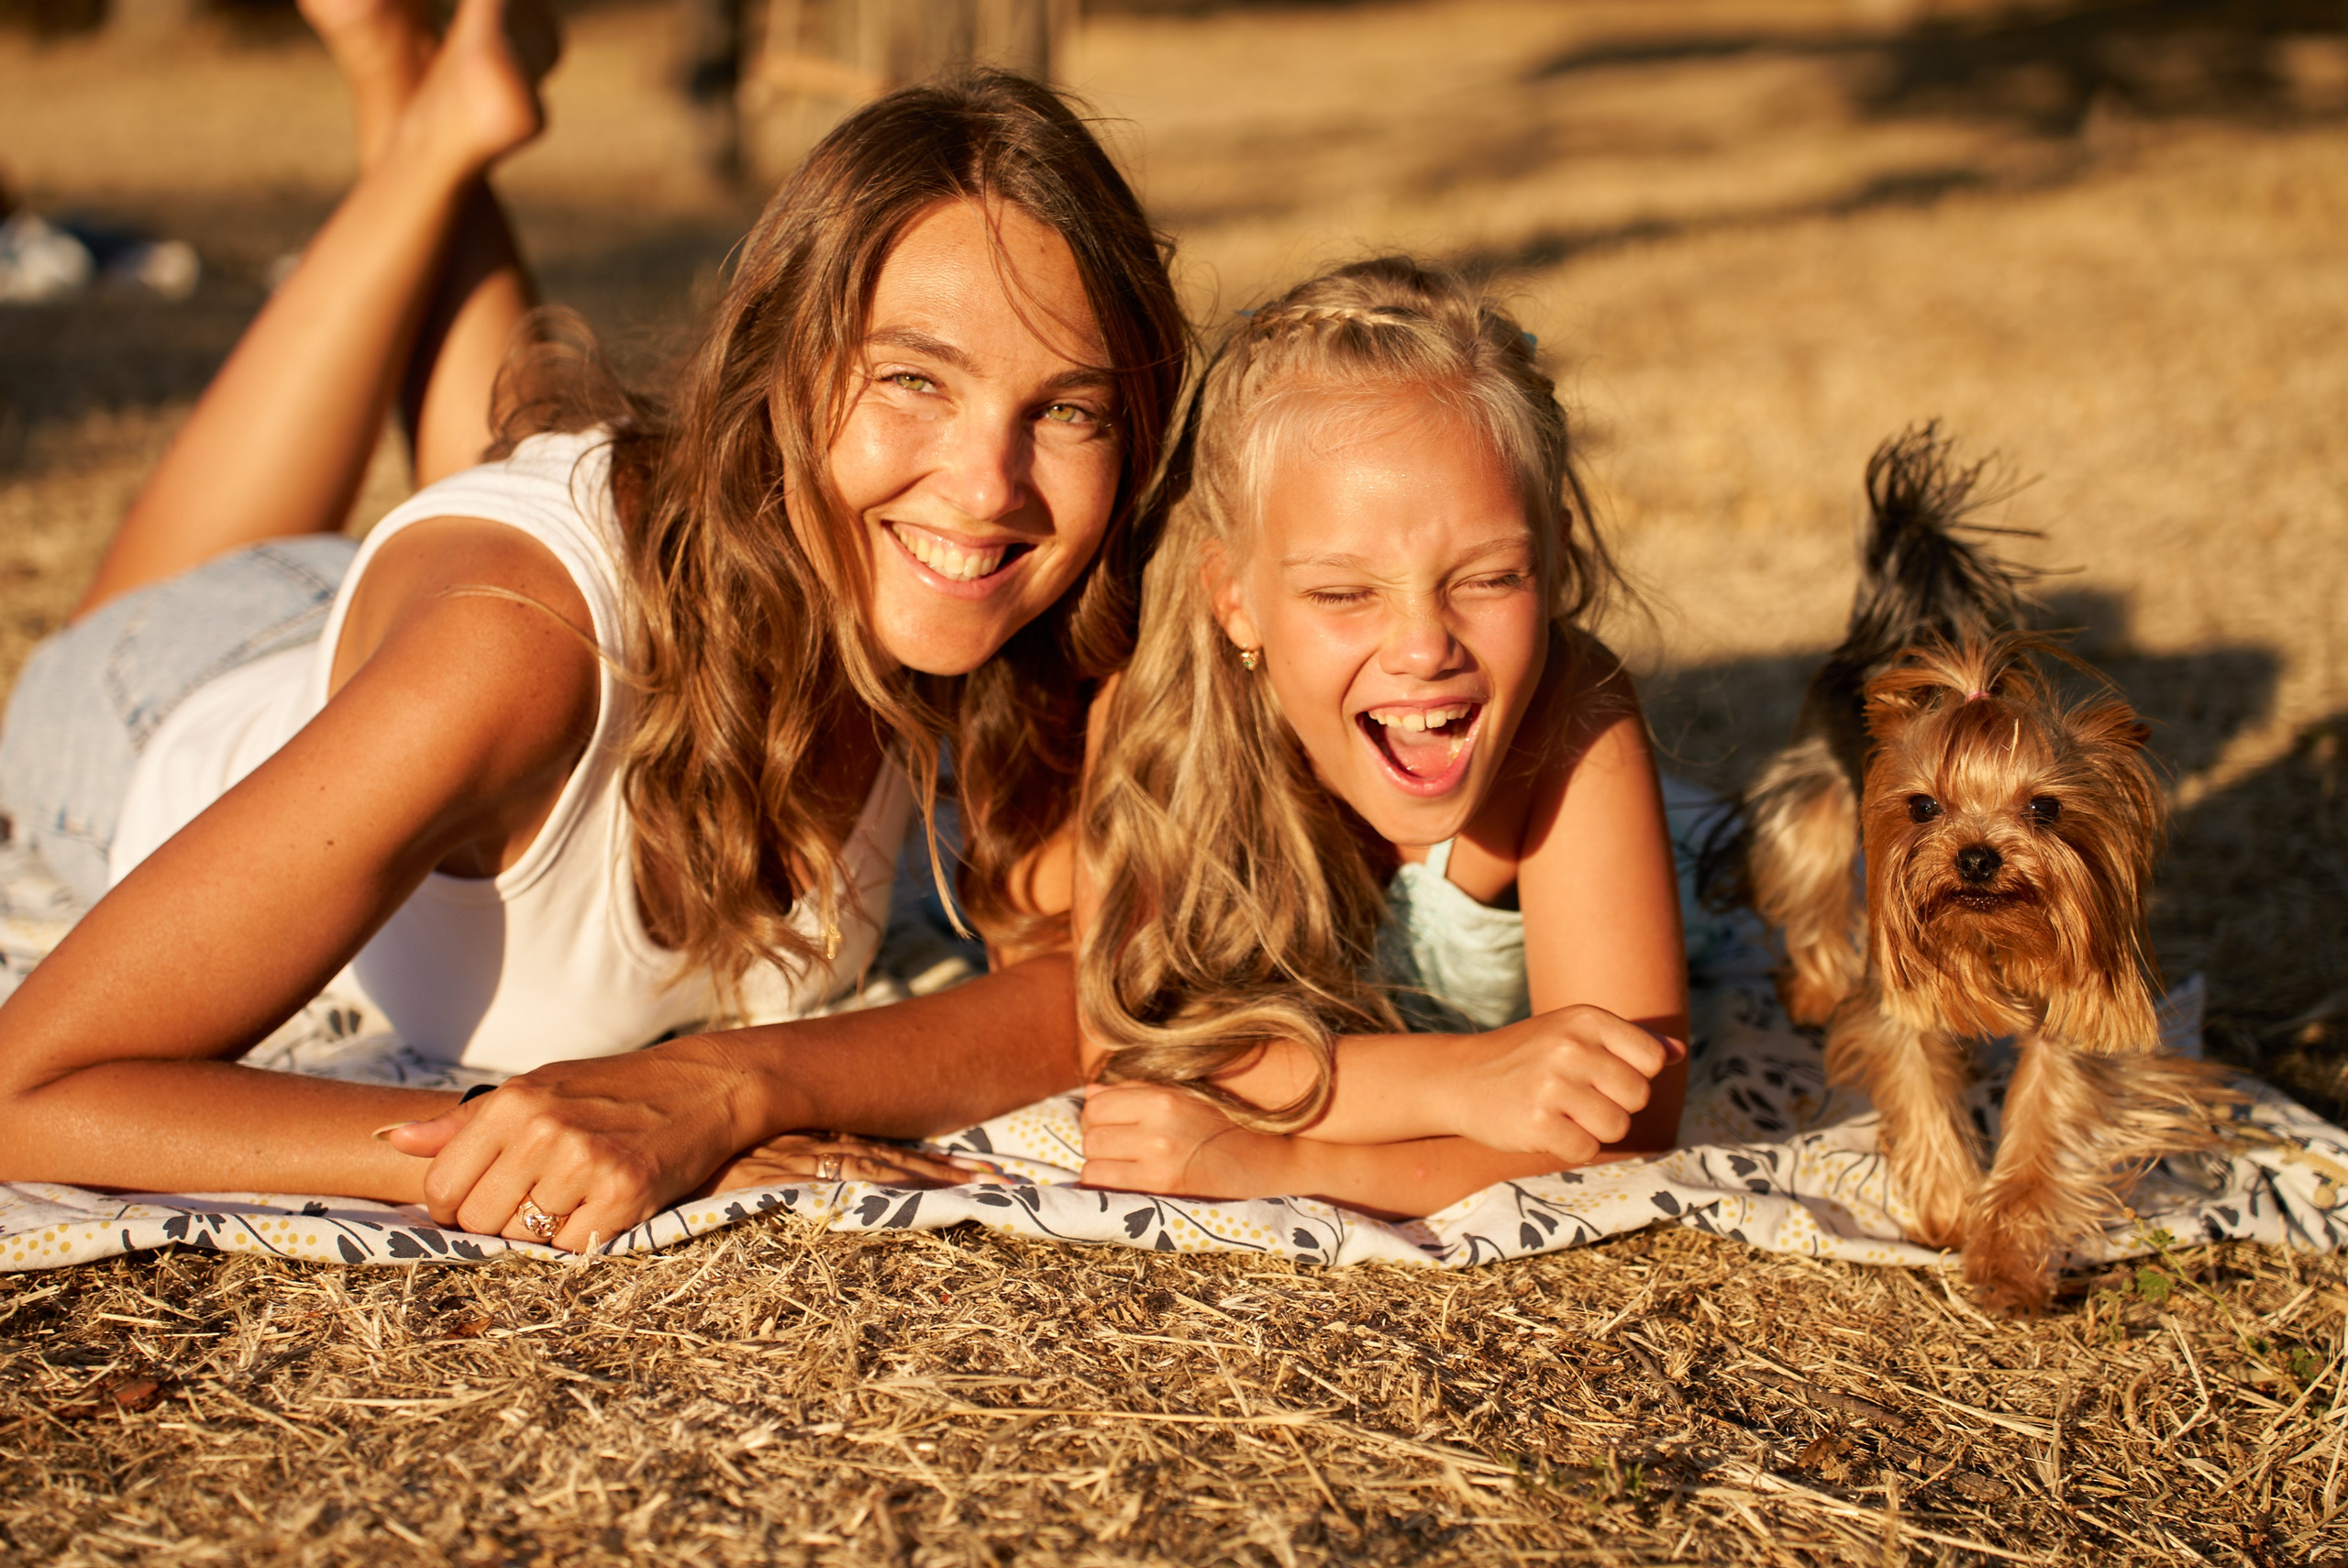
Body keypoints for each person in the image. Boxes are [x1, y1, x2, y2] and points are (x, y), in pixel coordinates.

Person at [0, 0, 1186, 1250]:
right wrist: (494, 1141)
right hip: (158, 703)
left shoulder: (1029, 593)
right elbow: (27, 1091)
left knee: (523, 536)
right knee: (431, 628)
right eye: (913, 378)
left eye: (1068, 411)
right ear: (778, 366)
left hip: (492, 621)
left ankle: (444, 105)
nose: (992, 485)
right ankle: (421, 121)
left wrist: (736, 1081)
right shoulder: (511, 651)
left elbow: (1079, 990)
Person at [1075, 259, 1689, 1219]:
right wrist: (1460, 1082)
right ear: (1233, 597)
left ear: (1554, 558)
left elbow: (1632, 1127)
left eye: (1487, 578)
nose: (1421, 646)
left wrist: (1281, 1166)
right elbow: (1129, 1054)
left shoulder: (1575, 721)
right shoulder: (1161, 720)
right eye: (1342, 593)